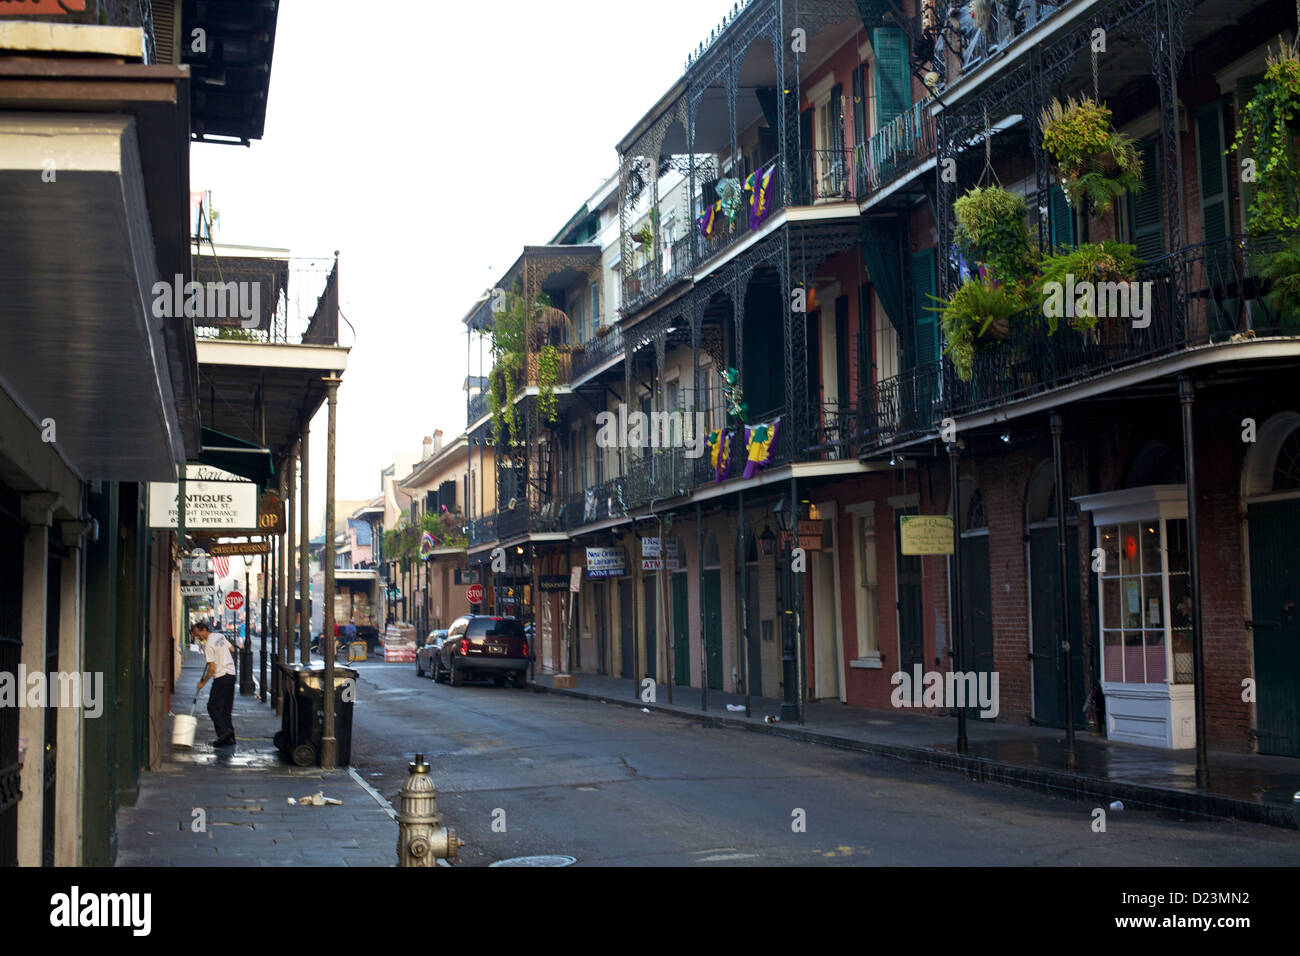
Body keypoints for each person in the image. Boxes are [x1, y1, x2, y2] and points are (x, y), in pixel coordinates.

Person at [193, 620, 236, 747]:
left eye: (197, 634)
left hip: (221, 677)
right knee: (226, 709)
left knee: (212, 707)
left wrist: (203, 683)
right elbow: (232, 649)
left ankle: (224, 733)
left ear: (204, 630)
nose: (197, 637)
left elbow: (212, 668)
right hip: (231, 674)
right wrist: (219, 655)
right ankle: (230, 738)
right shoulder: (219, 636)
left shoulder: (208, 646)